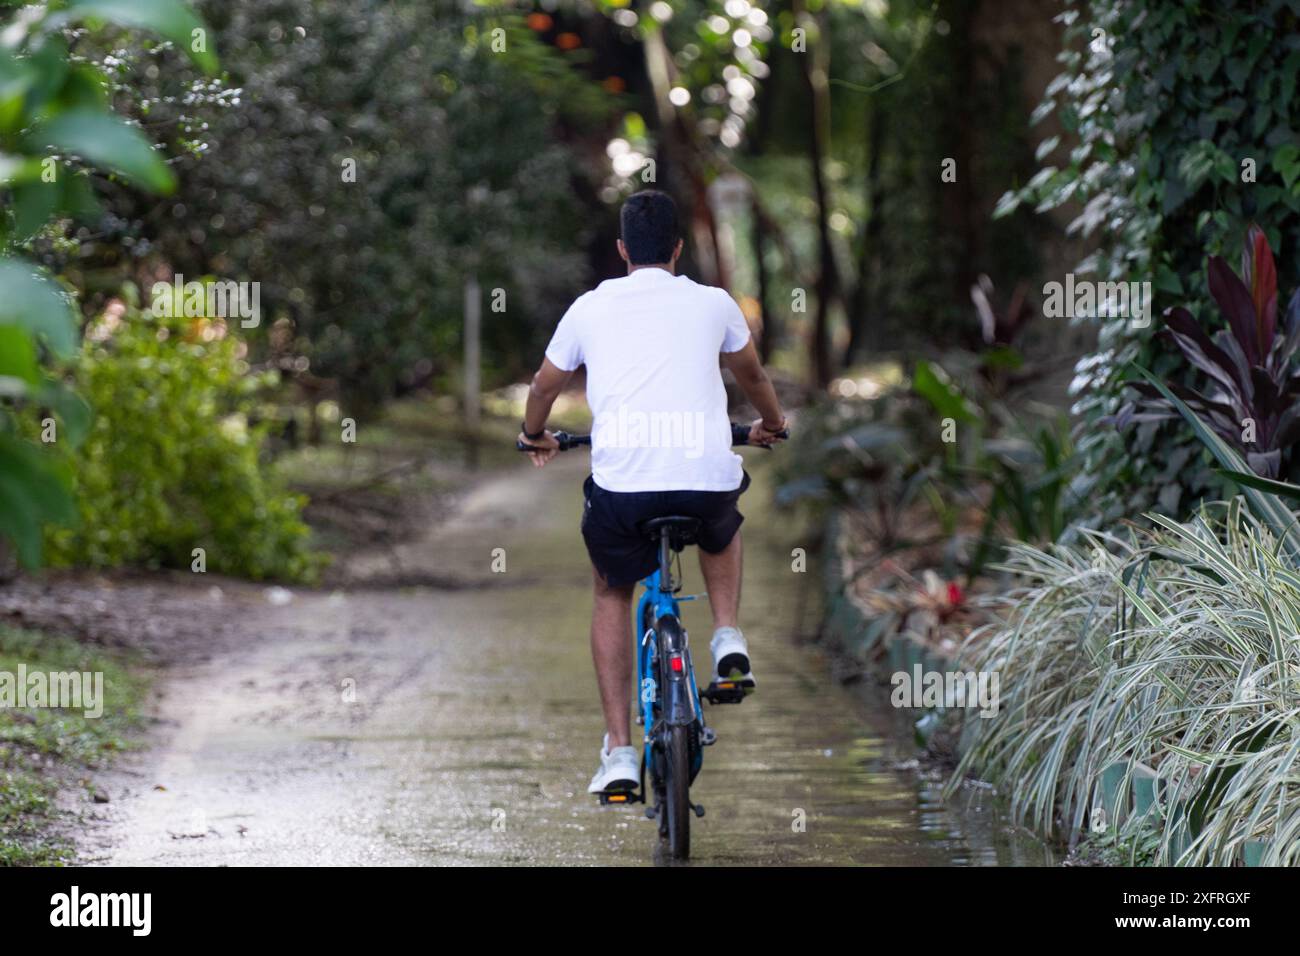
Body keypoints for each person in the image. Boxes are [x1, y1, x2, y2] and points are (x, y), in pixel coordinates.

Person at [517, 189, 787, 797]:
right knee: (722, 516)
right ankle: (726, 638)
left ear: (621, 250)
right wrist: (771, 424)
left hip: (622, 492)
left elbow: (544, 384)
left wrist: (535, 434)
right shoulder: (714, 302)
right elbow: (754, 376)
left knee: (612, 590)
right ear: (679, 248)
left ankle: (618, 752)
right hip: (702, 480)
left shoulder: (589, 307)